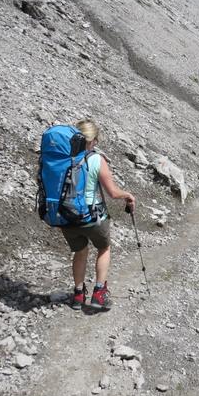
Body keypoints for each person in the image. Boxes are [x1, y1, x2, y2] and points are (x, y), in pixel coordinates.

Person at [61, 119, 135, 310]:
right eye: (96, 140)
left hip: (67, 216)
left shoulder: (63, 158)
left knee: (80, 251)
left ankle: (78, 295)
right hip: (92, 216)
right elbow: (113, 193)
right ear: (92, 140)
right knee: (104, 248)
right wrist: (127, 195)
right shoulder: (96, 159)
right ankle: (99, 293)